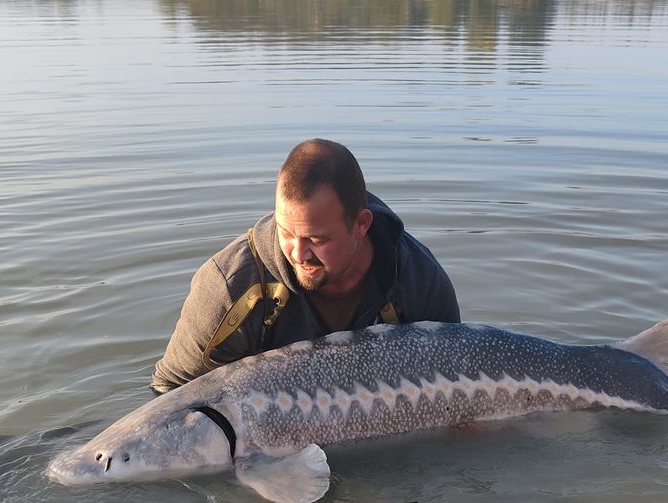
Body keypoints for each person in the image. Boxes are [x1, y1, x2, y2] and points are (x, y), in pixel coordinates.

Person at [151, 139, 460, 392]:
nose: (298, 253)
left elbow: (456, 375)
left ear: (361, 225)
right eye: (286, 232)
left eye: (317, 238)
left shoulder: (419, 280)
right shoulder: (230, 286)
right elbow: (169, 390)